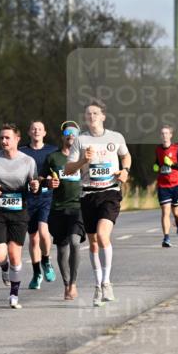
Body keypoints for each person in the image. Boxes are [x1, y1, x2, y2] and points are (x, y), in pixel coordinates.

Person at [63, 99, 131, 307]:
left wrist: (125, 171)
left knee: (103, 236)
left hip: (109, 193)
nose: (91, 117)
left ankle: (107, 282)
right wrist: (83, 160)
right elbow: (68, 170)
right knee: (93, 242)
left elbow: (126, 156)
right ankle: (97, 286)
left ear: (103, 116)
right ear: (85, 118)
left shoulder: (115, 137)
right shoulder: (80, 141)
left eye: (95, 113)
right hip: (88, 194)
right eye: (88, 114)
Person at [0, 123, 40, 309]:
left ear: (17, 139)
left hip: (20, 211)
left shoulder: (28, 161)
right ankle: (4, 268)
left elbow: (33, 183)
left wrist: (35, 186)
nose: (3, 141)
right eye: (1, 138)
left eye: (7, 138)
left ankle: (14, 295)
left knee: (14, 254)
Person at [44, 121, 85, 300]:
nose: (71, 136)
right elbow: (42, 177)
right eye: (67, 133)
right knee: (62, 249)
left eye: (74, 133)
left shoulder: (83, 157)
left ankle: (74, 284)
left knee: (75, 243)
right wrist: (48, 182)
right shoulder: (53, 158)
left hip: (79, 206)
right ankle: (67, 284)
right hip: (58, 208)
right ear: (62, 137)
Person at [19, 121, 58, 290]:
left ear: (44, 133)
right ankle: (36, 274)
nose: (36, 131)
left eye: (39, 129)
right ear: (29, 132)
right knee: (33, 238)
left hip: (46, 198)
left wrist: (52, 180)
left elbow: (58, 172)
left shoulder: (52, 151)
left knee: (44, 232)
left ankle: (47, 261)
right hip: (28, 200)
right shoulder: (21, 151)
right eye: (33, 128)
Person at [154, 125, 178, 247]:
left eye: (166, 133)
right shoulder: (158, 149)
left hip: (176, 185)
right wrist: (156, 166)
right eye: (162, 134)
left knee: (176, 212)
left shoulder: (176, 148)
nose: (164, 136)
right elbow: (157, 162)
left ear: (171, 135)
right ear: (160, 136)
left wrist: (172, 164)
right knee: (165, 211)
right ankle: (166, 238)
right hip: (163, 185)